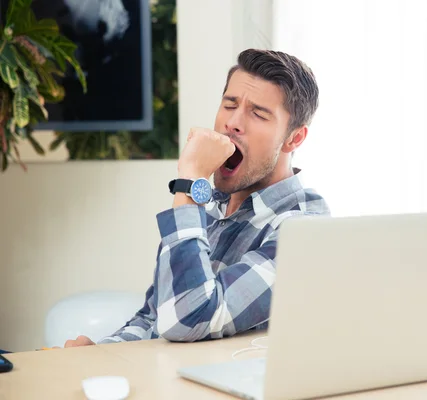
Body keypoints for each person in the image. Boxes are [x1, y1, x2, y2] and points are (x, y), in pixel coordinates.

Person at [63, 49, 329, 347]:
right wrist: (100, 355)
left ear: (294, 138)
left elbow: (189, 321)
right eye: (229, 104)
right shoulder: (211, 200)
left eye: (258, 113)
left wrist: (189, 182)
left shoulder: (303, 228)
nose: (233, 123)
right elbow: (154, 317)